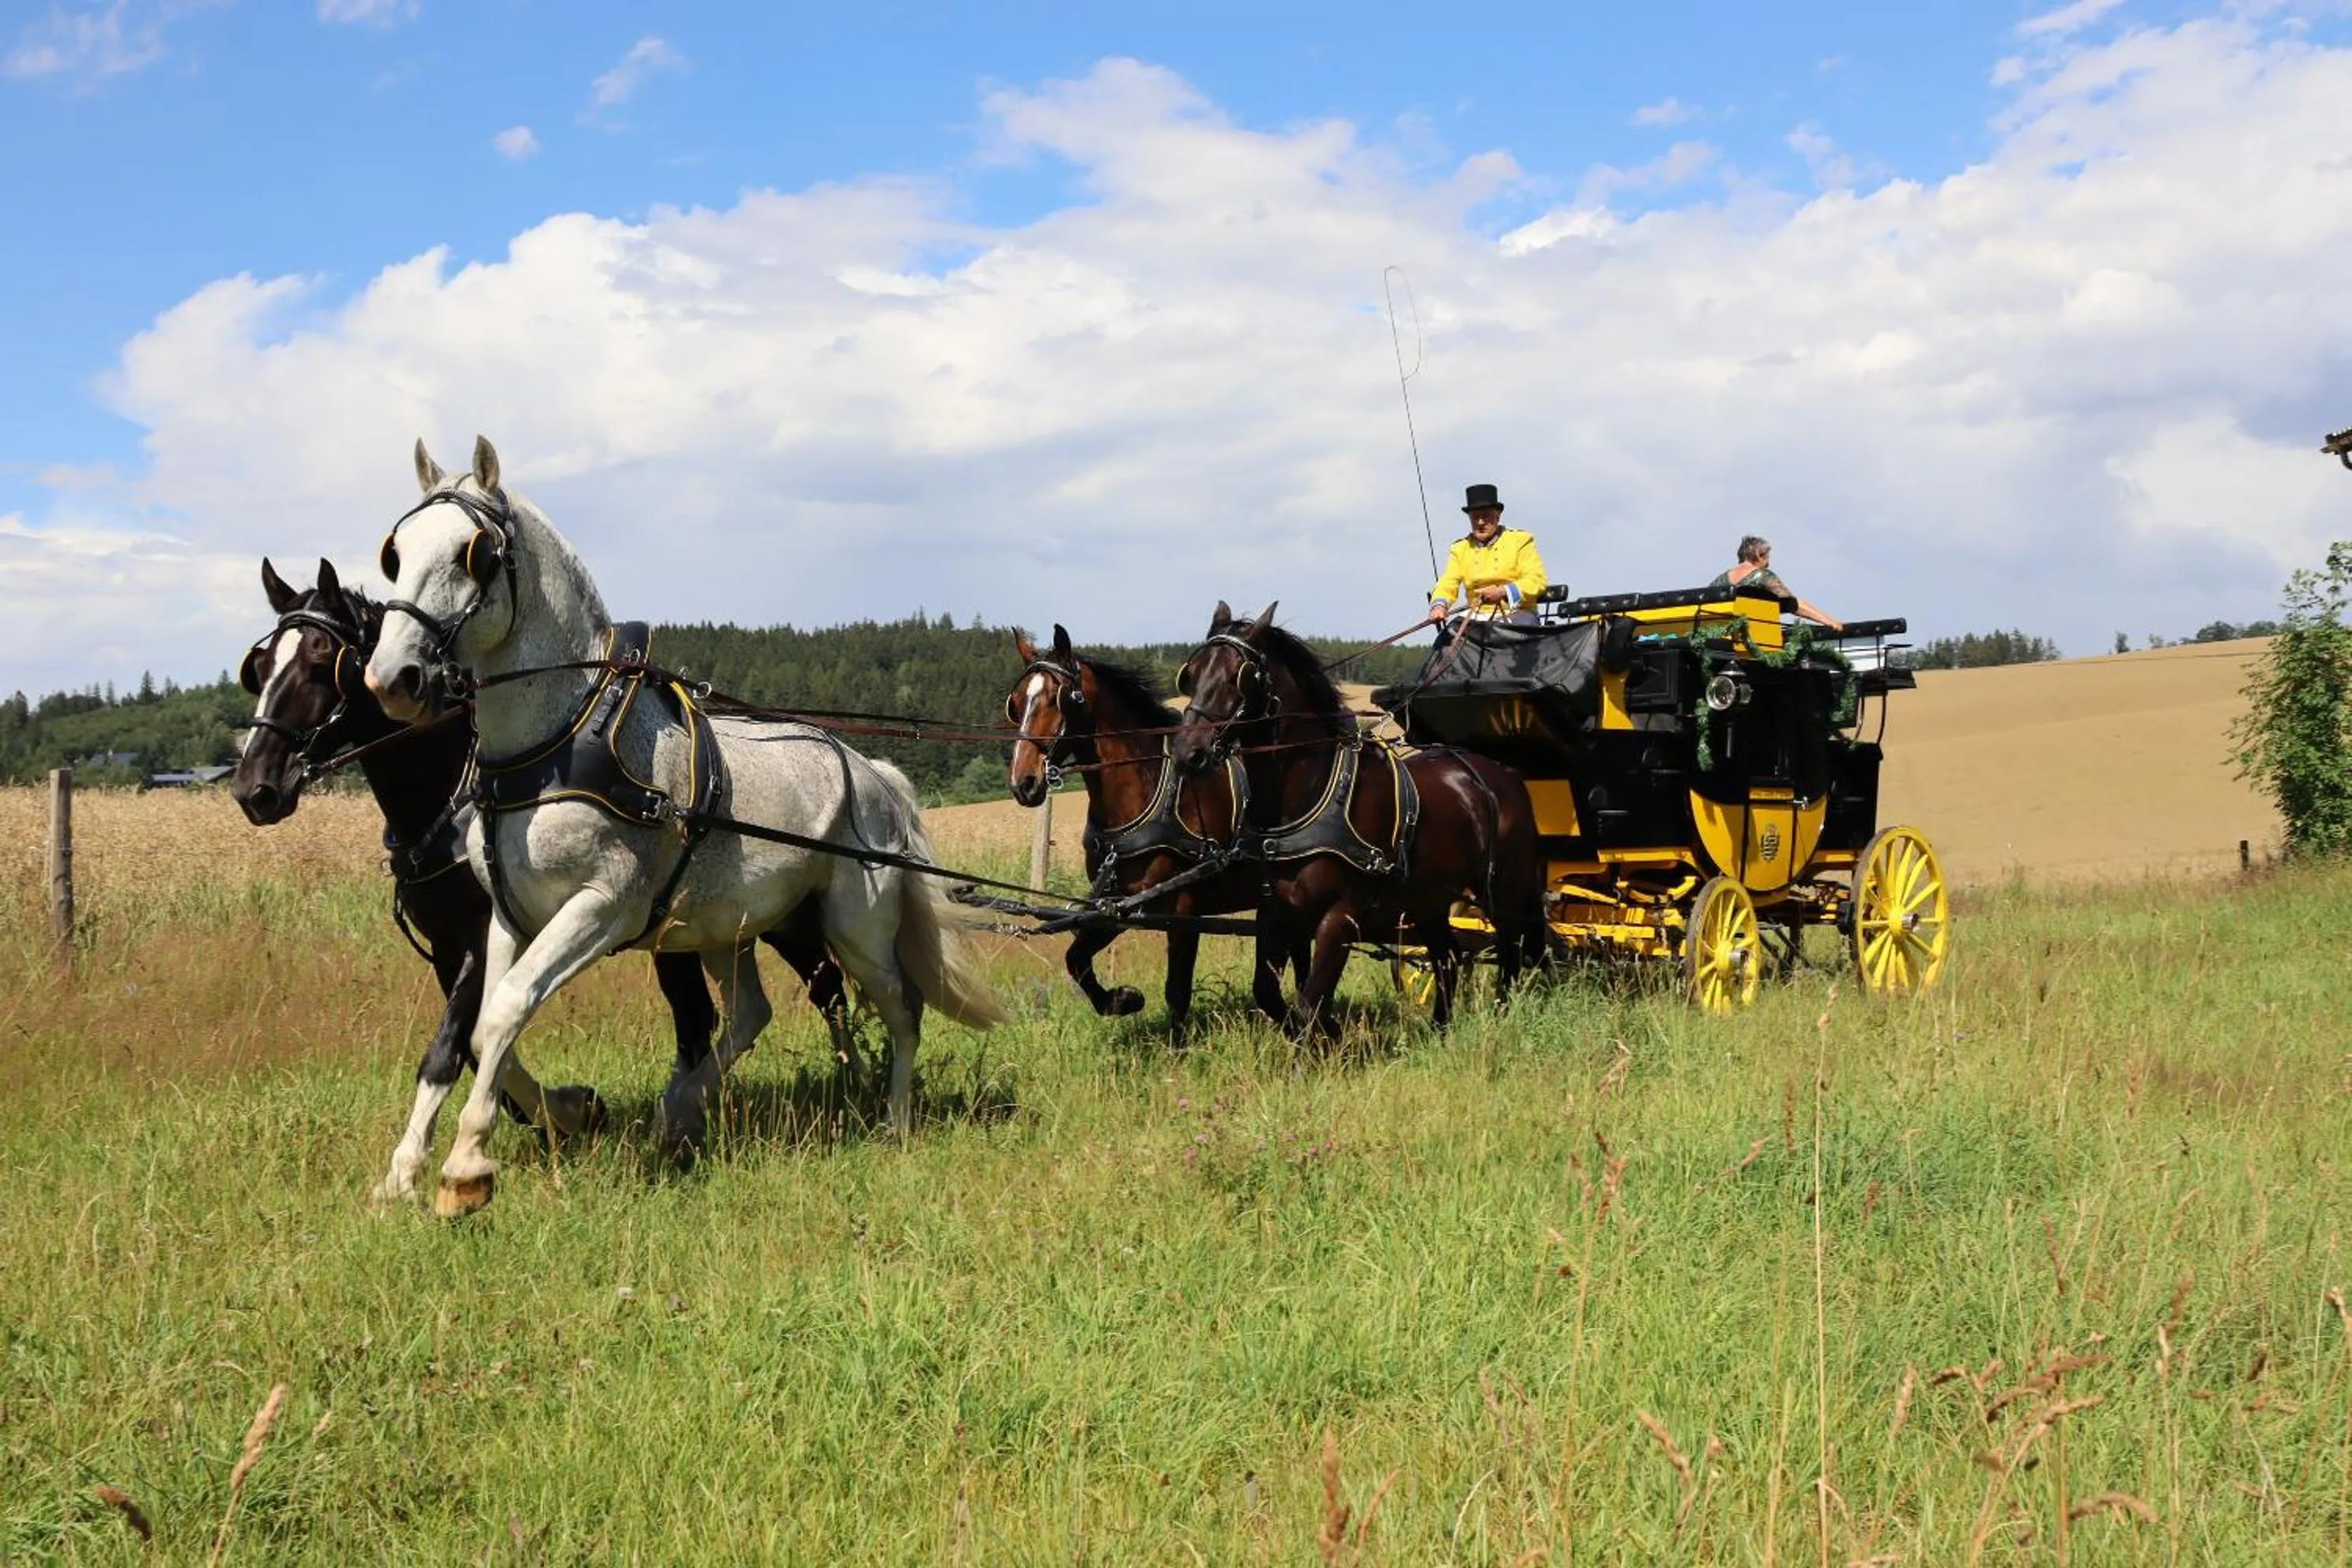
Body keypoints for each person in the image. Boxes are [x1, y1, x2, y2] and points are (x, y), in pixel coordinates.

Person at [1426, 484, 1547, 624]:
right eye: (1475, 517)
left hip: (1518, 614)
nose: (1480, 522)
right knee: (1447, 640)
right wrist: (1439, 606)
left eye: (1486, 516)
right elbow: (1448, 583)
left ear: (1498, 516)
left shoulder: (1520, 541)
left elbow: (1536, 581)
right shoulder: (1460, 549)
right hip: (1476, 616)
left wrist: (1503, 592)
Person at [1711, 535, 1843, 631]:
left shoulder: (1721, 579)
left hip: (1722, 634)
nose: (1768, 562)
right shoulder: (1763, 576)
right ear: (1759, 555)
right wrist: (1829, 622)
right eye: (1767, 556)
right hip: (1753, 637)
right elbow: (1794, 604)